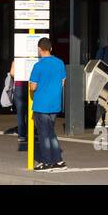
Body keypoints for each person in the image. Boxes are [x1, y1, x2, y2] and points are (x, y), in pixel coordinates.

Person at [28, 37, 68, 171]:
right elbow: (63, 82)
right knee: (51, 133)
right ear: (51, 48)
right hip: (54, 104)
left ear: (39, 49)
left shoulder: (38, 66)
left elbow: (33, 87)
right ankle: (58, 160)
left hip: (41, 105)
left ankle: (46, 162)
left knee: (44, 135)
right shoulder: (60, 63)